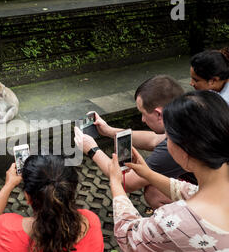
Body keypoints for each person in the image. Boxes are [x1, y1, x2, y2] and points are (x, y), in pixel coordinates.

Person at [109, 90, 229, 252]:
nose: (165, 142)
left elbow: (130, 238)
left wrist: (115, 183)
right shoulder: (216, 185)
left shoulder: (177, 221)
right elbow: (191, 191)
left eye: (168, 137)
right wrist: (148, 174)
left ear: (183, 150)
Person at [74, 74, 193, 209]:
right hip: (211, 181)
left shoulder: (175, 145)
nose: (142, 119)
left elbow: (126, 182)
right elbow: (154, 140)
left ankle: (183, 224)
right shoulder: (187, 116)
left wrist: (92, 150)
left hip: (211, 197)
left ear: (158, 114)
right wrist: (109, 131)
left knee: (154, 192)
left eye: (143, 113)